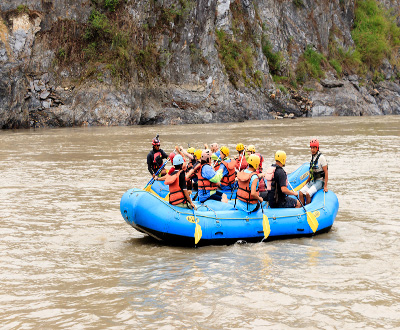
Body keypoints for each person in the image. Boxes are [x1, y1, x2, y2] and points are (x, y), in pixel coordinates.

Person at [299, 138, 328, 205]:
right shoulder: (313, 157)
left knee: (308, 194)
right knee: (300, 193)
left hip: (320, 181)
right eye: (311, 148)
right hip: (313, 181)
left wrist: (325, 186)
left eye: (314, 148)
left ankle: (308, 210)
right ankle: (301, 209)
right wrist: (306, 183)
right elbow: (311, 172)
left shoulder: (321, 158)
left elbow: (326, 172)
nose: (312, 150)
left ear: (317, 148)